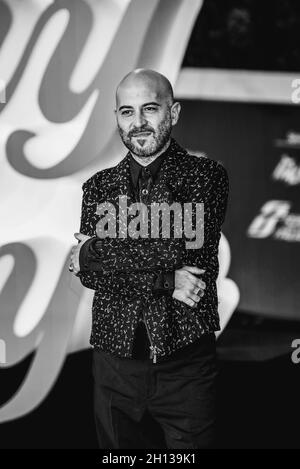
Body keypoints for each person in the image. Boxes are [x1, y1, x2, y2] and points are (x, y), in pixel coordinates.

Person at [69, 68, 229, 449]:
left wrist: (93, 251)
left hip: (185, 364)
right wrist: (167, 280)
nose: (138, 122)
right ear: (117, 118)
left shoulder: (205, 177)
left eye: (150, 109)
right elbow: (92, 278)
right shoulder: (98, 187)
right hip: (113, 364)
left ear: (173, 113)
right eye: (127, 111)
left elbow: (178, 250)